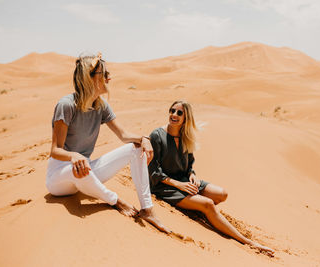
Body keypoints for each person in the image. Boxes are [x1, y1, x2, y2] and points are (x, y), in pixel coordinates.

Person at [46, 53, 169, 233]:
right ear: (89, 77)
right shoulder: (66, 105)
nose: (109, 78)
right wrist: (73, 155)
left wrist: (143, 139)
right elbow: (55, 150)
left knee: (134, 149)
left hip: (85, 171)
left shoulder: (100, 106)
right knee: (78, 169)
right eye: (104, 74)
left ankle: (147, 209)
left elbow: (124, 135)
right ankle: (115, 200)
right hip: (59, 177)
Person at [148, 100, 275, 256]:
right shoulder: (157, 135)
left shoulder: (185, 136)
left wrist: (192, 175)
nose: (174, 115)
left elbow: (189, 164)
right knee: (208, 204)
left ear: (186, 118)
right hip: (164, 185)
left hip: (184, 180)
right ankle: (247, 241)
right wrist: (179, 186)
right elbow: (154, 170)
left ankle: (195, 206)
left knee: (222, 194)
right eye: (172, 110)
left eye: (179, 113)